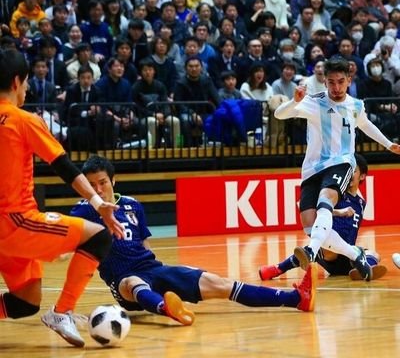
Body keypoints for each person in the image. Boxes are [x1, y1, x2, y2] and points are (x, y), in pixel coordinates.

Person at [70, 155, 317, 327]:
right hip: (122, 280)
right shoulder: (82, 211)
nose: (98, 190)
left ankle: (296, 298)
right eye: (91, 186)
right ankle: (168, 309)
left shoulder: (133, 204)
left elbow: (144, 244)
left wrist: (166, 272)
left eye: (102, 182)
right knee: (133, 282)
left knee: (219, 283)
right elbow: (66, 242)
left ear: (113, 181)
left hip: (153, 269)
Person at [0, 49, 124, 348]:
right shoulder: (23, 120)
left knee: (25, 301)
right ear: (17, 82)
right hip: (15, 222)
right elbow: (64, 167)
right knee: (98, 238)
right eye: (27, 82)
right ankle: (62, 312)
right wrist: (98, 203)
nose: (28, 89)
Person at [274, 58, 400, 281]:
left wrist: (388, 144)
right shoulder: (314, 102)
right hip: (312, 170)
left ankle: (311, 251)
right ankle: (355, 255)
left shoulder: (356, 105)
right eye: (331, 82)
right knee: (310, 225)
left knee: (326, 199)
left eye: (341, 82)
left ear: (349, 80)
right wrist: (294, 102)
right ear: (325, 82)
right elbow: (279, 115)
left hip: (341, 162)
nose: (336, 87)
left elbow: (367, 125)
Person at [259, 154, 388, 281]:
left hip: (349, 256)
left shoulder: (360, 203)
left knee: (373, 254)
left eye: (353, 171)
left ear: (362, 176)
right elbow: (315, 209)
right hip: (331, 253)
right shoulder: (335, 192)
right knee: (324, 249)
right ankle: (278, 268)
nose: (348, 174)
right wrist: (339, 212)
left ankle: (364, 270)